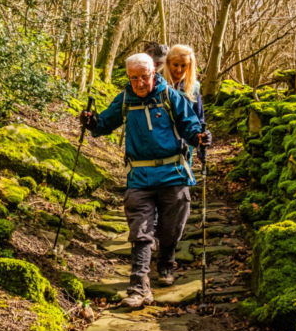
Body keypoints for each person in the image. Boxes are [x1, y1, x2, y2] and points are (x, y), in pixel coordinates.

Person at [79, 53, 212, 308]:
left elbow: (190, 126)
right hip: (139, 177)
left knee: (171, 229)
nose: (139, 83)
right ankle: (139, 289)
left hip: (173, 174)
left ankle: (165, 261)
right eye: (133, 78)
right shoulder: (126, 98)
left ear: (154, 73)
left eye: (144, 77)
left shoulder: (171, 97)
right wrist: (92, 121)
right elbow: (104, 124)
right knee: (140, 233)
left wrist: (199, 138)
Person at [162, 44, 205, 165]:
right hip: (160, 141)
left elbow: (198, 117)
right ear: (168, 62)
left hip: (184, 144)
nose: (179, 70)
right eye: (175, 65)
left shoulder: (193, 87)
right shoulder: (158, 83)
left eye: (183, 65)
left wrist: (201, 146)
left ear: (190, 65)